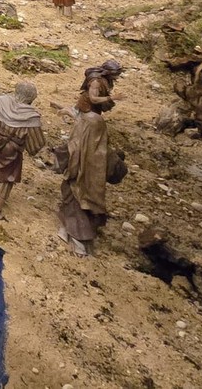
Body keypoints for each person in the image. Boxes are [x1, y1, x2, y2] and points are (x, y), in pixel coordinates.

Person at [59, 61, 125, 258]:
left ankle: (76, 233)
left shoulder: (93, 122)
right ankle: (74, 234)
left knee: (86, 185)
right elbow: (92, 98)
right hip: (88, 136)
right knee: (78, 186)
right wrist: (113, 97)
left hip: (92, 135)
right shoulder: (96, 84)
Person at [0, 82, 44, 222]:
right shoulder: (31, 118)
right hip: (10, 152)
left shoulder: (0, 102)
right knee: (6, 178)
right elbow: (35, 143)